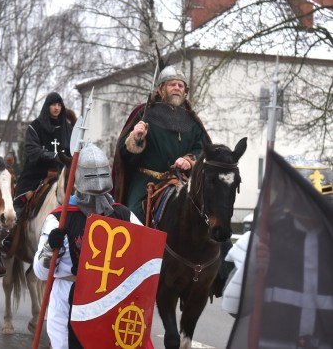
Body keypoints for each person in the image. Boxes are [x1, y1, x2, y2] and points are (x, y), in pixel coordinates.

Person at [33, 143, 145, 349]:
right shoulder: (59, 218)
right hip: (68, 297)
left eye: (99, 174)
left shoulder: (123, 215)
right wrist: (50, 248)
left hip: (110, 299)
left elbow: (145, 256)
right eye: (91, 175)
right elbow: (41, 273)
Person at [113, 65, 211, 223]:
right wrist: (137, 138)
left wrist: (189, 160)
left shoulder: (192, 120)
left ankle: (225, 248)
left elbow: (204, 149)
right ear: (160, 89)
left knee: (209, 218)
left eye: (181, 85)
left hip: (181, 182)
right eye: (172, 84)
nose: (177, 88)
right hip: (146, 183)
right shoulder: (144, 113)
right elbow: (123, 153)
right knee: (132, 218)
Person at [14, 92, 72, 218]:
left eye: (59, 105)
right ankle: (12, 233)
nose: (56, 108)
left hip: (63, 173)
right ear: (47, 106)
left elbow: (74, 150)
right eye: (53, 105)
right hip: (37, 173)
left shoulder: (68, 129)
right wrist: (53, 156)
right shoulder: (35, 127)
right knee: (20, 204)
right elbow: (33, 150)